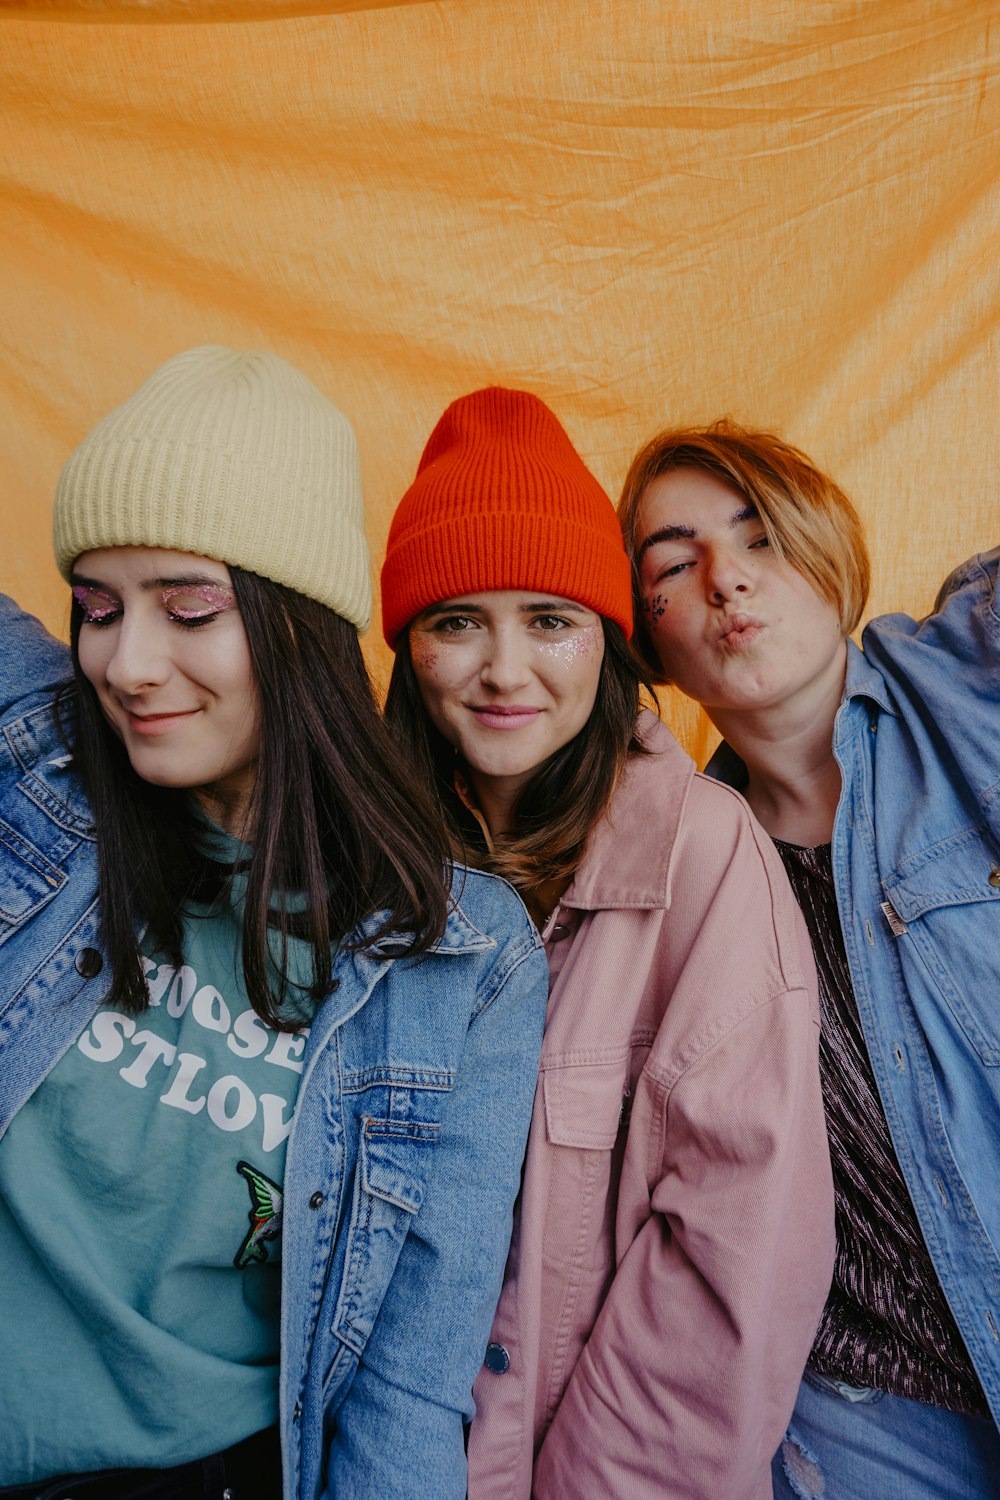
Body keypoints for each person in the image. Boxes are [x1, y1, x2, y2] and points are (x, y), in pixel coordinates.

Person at [0, 347, 548, 1500]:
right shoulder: (37, 766)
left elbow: (407, 1384)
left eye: (190, 608)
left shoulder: (461, 958)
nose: (128, 664)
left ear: (304, 628)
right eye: (97, 610)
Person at [379, 385, 834, 1500]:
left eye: (548, 620)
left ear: (607, 643)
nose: (503, 670)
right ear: (406, 649)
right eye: (454, 622)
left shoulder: (701, 854)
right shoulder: (362, 862)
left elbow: (730, 1259)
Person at [618, 418, 1000, 1499]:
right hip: (869, 1411)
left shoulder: (967, 678)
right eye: (674, 566)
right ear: (647, 639)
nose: (727, 581)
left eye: (759, 538)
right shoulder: (677, 865)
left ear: (825, 551)